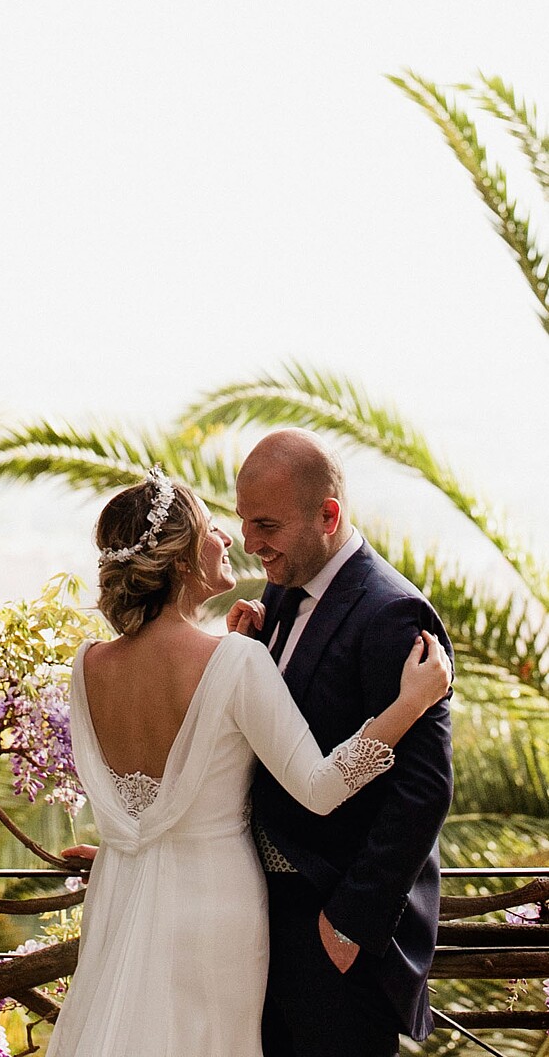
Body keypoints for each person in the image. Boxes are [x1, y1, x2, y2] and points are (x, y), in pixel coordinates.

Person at [48, 463, 450, 1057]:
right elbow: (318, 787)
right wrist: (408, 705)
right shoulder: (234, 661)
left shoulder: (87, 667)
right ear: (182, 559)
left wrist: (122, 842)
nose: (229, 539)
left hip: (124, 894)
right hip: (217, 911)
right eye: (215, 527)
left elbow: (147, 796)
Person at [229, 430, 454, 1057]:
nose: (252, 545)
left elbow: (424, 789)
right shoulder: (280, 590)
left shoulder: (393, 614)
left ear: (328, 515)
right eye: (244, 523)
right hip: (260, 918)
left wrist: (348, 924)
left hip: (333, 927)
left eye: (266, 524)